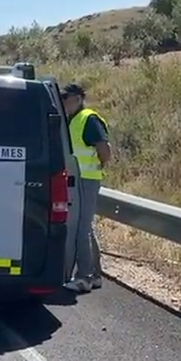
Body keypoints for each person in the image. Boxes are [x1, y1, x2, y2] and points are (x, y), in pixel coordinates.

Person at [61, 83, 112, 293]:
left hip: (86, 179)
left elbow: (104, 149)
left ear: (78, 98)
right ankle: (95, 275)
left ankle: (84, 278)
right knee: (86, 228)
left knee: (81, 229)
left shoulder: (88, 119)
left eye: (67, 98)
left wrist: (99, 164)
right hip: (78, 178)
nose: (64, 101)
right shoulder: (72, 120)